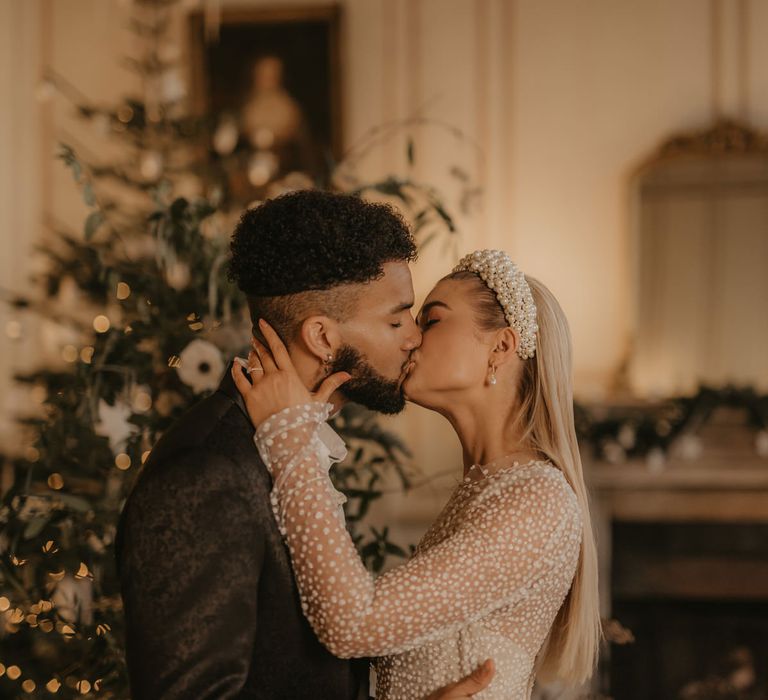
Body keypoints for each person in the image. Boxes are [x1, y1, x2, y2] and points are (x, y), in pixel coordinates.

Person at [115, 190, 492, 699]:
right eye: (396, 318)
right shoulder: (208, 472)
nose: (412, 338)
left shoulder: (287, 442)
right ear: (321, 337)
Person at [232, 249, 602, 699]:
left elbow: (354, 624)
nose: (410, 339)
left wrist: (290, 441)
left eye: (431, 321)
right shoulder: (486, 488)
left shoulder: (536, 500)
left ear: (501, 347)